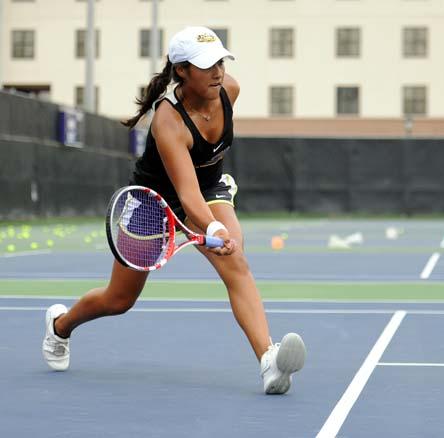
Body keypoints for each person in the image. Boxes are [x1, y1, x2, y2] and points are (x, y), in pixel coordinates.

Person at [41, 26, 306, 395]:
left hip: (208, 188)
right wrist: (213, 229)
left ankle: (269, 362)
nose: (217, 72)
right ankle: (60, 326)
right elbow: (185, 194)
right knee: (119, 299)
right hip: (155, 203)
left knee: (236, 262)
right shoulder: (168, 120)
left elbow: (201, 187)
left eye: (220, 61)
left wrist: (219, 228)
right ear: (181, 70)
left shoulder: (230, 90)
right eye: (205, 65)